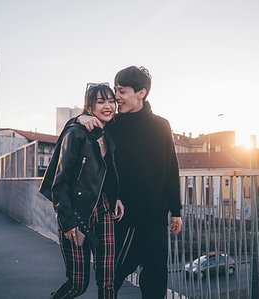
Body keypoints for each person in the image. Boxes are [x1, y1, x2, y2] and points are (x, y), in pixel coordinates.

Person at [77, 66, 182, 298]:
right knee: (109, 279)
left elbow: (171, 169)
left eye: (122, 91)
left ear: (141, 93)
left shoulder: (161, 126)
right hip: (123, 219)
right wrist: (81, 117)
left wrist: (176, 210)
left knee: (155, 282)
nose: (116, 97)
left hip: (155, 220)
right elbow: (75, 133)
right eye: (115, 90)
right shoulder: (112, 124)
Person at [40, 83, 124, 298]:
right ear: (89, 106)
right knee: (78, 283)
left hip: (104, 210)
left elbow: (108, 174)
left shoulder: (110, 131)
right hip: (77, 213)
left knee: (108, 282)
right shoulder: (76, 133)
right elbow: (60, 182)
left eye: (111, 101)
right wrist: (68, 221)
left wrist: (116, 198)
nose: (108, 106)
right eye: (101, 101)